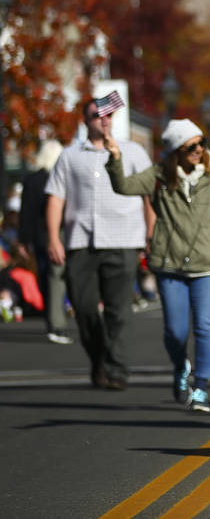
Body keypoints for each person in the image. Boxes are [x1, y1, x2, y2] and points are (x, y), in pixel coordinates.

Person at [105, 119, 210, 412]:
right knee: (175, 332)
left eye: (201, 143)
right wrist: (115, 158)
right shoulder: (158, 176)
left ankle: (201, 386)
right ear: (176, 149)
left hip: (207, 263)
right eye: (191, 146)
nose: (198, 150)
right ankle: (181, 366)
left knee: (205, 325)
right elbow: (123, 186)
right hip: (170, 263)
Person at [45, 99, 154, 389]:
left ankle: (116, 369)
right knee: (83, 308)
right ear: (86, 121)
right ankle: (98, 358)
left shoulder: (133, 151)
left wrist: (151, 233)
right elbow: (56, 197)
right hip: (81, 241)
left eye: (108, 115)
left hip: (124, 239)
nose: (103, 120)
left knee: (119, 309)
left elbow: (148, 194)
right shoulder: (70, 156)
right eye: (97, 116)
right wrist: (54, 237)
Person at [18, 140, 72, 344]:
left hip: (40, 238)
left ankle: (53, 318)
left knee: (47, 277)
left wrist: (24, 240)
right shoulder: (59, 179)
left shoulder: (32, 179)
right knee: (56, 276)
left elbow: (26, 213)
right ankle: (56, 321)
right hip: (58, 234)